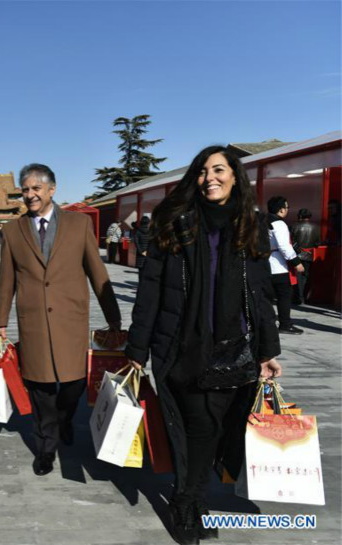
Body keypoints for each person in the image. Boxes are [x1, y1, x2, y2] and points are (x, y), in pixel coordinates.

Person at [125, 146, 281, 544]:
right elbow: (151, 288)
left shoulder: (252, 224)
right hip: (183, 344)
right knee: (197, 425)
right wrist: (137, 349)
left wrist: (269, 350)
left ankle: (192, 498)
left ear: (234, 176)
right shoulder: (174, 221)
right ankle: (188, 502)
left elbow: (261, 293)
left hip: (235, 346)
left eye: (219, 170)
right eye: (202, 171)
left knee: (214, 428)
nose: (210, 177)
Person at [0, 163, 121, 476]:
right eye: (25, 190)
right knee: (40, 388)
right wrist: (0, 322)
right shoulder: (13, 231)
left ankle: (65, 418)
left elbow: (97, 272)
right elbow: (6, 279)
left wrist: (113, 317)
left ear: (52, 190)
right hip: (34, 320)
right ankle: (46, 447)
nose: (30, 195)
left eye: (36, 188)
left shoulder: (78, 225)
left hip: (70, 319)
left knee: (74, 382)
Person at [267, 196, 304, 334]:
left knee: (266, 297)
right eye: (287, 207)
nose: (287, 210)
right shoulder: (279, 224)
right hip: (279, 265)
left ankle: (265, 323)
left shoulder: (262, 221)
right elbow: (284, 246)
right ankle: (285, 324)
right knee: (284, 296)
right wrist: (297, 263)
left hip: (265, 264)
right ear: (281, 209)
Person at [290, 208, 320, 305]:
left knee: (297, 276)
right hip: (309, 255)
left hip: (296, 255)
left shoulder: (294, 226)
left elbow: (291, 241)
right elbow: (317, 243)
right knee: (305, 276)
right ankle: (303, 297)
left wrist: (298, 250)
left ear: (300, 216)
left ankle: (299, 297)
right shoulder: (316, 227)